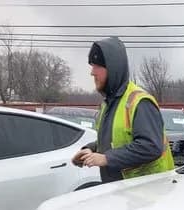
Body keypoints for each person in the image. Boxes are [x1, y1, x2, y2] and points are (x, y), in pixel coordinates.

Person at [72, 37, 174, 182]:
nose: (92, 73)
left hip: (148, 191)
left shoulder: (140, 102)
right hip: (121, 191)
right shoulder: (108, 104)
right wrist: (90, 150)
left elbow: (151, 146)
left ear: (113, 68)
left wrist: (107, 158)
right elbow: (114, 141)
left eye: (97, 66)